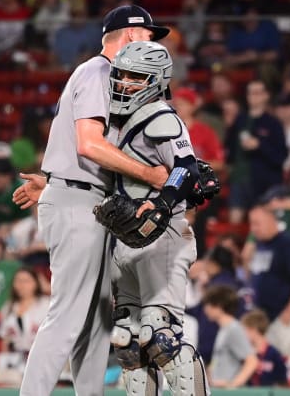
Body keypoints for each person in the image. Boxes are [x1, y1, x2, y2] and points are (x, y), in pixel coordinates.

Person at [10, 5, 170, 396]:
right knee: (67, 318)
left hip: (86, 200)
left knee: (97, 321)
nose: (152, 43)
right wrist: (149, 175)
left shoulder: (110, 77)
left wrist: (52, 182)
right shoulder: (99, 72)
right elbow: (89, 144)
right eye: (148, 35)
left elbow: (79, 151)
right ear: (130, 36)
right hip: (78, 202)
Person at [102, 41, 209, 395]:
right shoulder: (118, 120)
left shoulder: (161, 116)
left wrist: (163, 202)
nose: (125, 82)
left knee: (159, 335)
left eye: (135, 76)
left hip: (161, 233)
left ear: (155, 79)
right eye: (123, 74)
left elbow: (187, 168)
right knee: (128, 342)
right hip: (128, 237)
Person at [243, 205, 290, 357]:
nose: (253, 228)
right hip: (265, 319)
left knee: (286, 364)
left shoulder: (285, 244)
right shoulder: (261, 244)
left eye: (257, 223)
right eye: (251, 224)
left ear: (271, 221)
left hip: (283, 320)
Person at [225, 79, 289, 223]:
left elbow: (281, 157)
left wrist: (260, 145)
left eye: (258, 93)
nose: (254, 96)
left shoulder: (273, 123)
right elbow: (229, 147)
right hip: (239, 178)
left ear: (266, 96)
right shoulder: (239, 120)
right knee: (234, 222)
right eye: (251, 93)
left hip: (264, 181)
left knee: (262, 221)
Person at [0, 267, 50, 384]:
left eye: (26, 281)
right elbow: (5, 340)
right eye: (18, 281)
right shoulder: (8, 307)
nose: (21, 285)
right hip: (15, 360)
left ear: (36, 283)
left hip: (40, 357)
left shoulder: (46, 304)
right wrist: (4, 363)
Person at [202, 285, 257, 388]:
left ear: (219, 306)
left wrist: (232, 385)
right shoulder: (224, 330)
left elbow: (252, 361)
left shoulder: (234, 329)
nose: (205, 309)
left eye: (208, 304)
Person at [240, 309, 287, 386]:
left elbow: (283, 381)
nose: (242, 335)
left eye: (245, 330)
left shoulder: (274, 354)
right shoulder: (245, 354)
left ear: (253, 330)